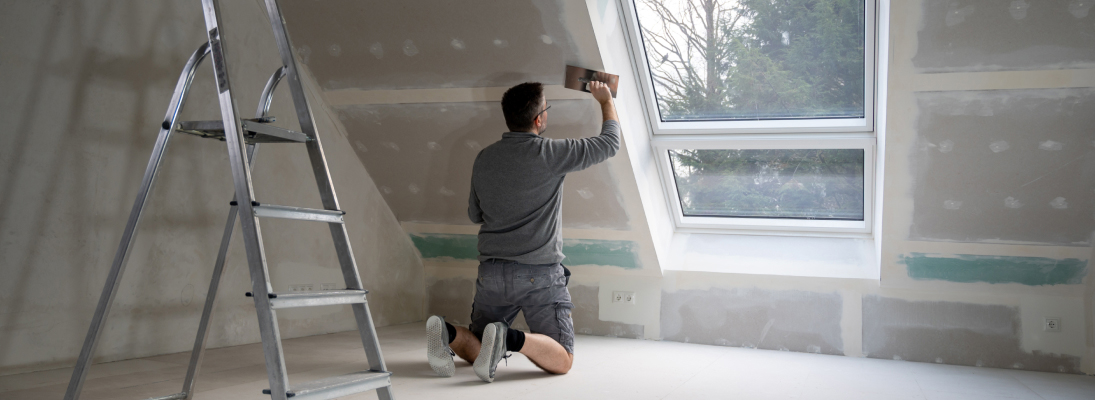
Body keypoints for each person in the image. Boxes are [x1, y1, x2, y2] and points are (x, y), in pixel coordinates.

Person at [425, 80, 619, 382]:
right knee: (563, 359)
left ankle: (447, 332)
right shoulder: (552, 153)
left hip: (492, 273)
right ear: (539, 119)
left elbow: (475, 214)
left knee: (478, 349)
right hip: (538, 275)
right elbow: (609, 143)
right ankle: (509, 339)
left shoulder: (484, 157)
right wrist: (605, 100)